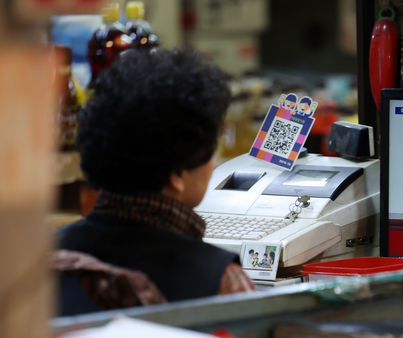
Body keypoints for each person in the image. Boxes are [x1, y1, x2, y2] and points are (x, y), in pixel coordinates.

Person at [56, 48, 255, 313]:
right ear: (176, 176)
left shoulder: (43, 258)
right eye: (210, 152)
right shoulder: (221, 281)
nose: (214, 164)